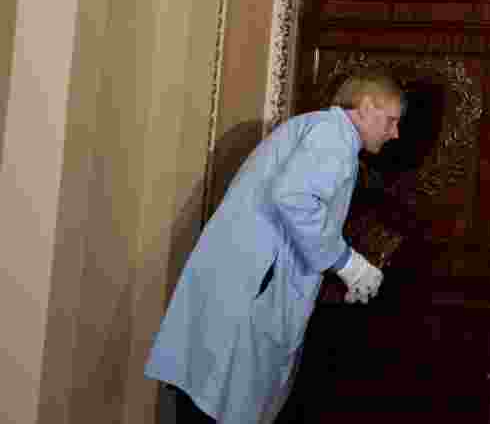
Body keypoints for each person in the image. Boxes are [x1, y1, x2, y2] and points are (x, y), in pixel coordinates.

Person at [145, 72, 404, 423]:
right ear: (366, 106)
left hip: (241, 290)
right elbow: (295, 198)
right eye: (390, 121)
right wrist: (347, 263)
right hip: (249, 295)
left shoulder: (319, 130)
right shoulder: (333, 136)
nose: (395, 133)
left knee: (206, 399)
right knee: (214, 405)